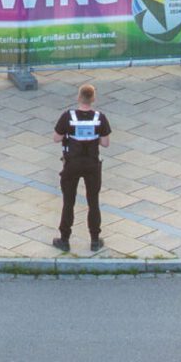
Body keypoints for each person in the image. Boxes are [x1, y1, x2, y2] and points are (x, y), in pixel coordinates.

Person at [52, 82, 111, 251]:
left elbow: (56, 138)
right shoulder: (100, 118)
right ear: (93, 99)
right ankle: (94, 240)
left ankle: (64, 240)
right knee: (93, 202)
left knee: (68, 202)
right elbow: (106, 143)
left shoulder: (67, 116)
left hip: (72, 164)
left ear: (79, 97)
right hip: (92, 164)